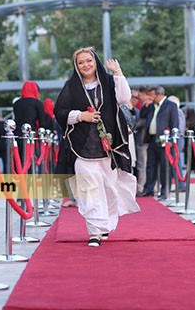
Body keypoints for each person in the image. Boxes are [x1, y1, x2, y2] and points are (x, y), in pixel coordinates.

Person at [55, 47, 140, 247]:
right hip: (82, 148)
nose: (86, 65)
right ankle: (94, 231)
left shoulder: (109, 82)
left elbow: (123, 98)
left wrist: (118, 73)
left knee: (109, 189)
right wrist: (79, 116)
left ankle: (105, 226)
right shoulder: (71, 87)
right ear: (76, 66)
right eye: (81, 62)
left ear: (95, 62)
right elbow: (59, 111)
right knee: (89, 189)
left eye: (88, 61)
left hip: (108, 148)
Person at [142, 86, 179, 199]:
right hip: (152, 139)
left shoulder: (170, 105)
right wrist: (146, 105)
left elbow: (174, 123)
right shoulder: (152, 106)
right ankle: (148, 189)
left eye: (153, 95)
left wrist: (172, 139)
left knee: (165, 166)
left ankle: (165, 190)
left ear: (159, 95)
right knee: (150, 165)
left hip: (165, 140)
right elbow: (142, 116)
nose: (151, 98)